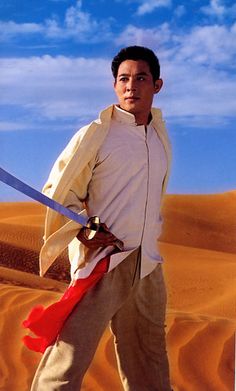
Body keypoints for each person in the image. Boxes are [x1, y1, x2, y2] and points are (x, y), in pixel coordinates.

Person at [29, 45, 172, 391]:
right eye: (123, 79)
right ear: (114, 86)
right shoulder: (97, 134)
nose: (131, 86)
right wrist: (82, 229)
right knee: (68, 359)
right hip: (104, 262)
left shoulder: (159, 136)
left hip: (147, 264)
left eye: (141, 78)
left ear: (157, 85)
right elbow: (60, 191)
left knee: (150, 359)